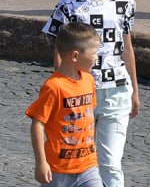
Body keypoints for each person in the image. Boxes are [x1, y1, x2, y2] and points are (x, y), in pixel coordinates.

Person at [41, 0, 138, 187]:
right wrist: (61, 93)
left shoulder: (125, 2)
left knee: (110, 164)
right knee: (79, 161)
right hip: (81, 94)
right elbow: (60, 55)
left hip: (117, 91)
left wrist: (134, 91)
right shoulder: (68, 6)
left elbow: (126, 47)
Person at [28, 22, 103, 187]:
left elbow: (89, 117)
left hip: (88, 166)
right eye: (94, 53)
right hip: (58, 171)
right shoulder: (53, 87)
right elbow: (38, 124)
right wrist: (41, 162)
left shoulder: (89, 80)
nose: (97, 57)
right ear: (75, 56)